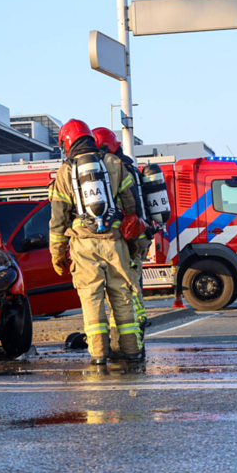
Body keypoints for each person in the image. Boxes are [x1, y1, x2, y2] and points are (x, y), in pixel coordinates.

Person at [49, 119, 142, 365]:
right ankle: (132, 350)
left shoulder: (65, 172)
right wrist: (132, 242)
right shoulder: (114, 163)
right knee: (122, 296)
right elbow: (131, 206)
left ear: (67, 142)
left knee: (92, 299)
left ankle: (99, 354)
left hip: (83, 245)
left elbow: (58, 219)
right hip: (115, 241)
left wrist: (57, 254)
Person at [92, 126, 153, 342]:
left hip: (128, 236)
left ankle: (132, 339)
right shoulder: (129, 166)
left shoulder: (116, 168)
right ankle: (132, 336)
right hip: (138, 234)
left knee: (127, 287)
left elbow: (130, 205)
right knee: (130, 285)